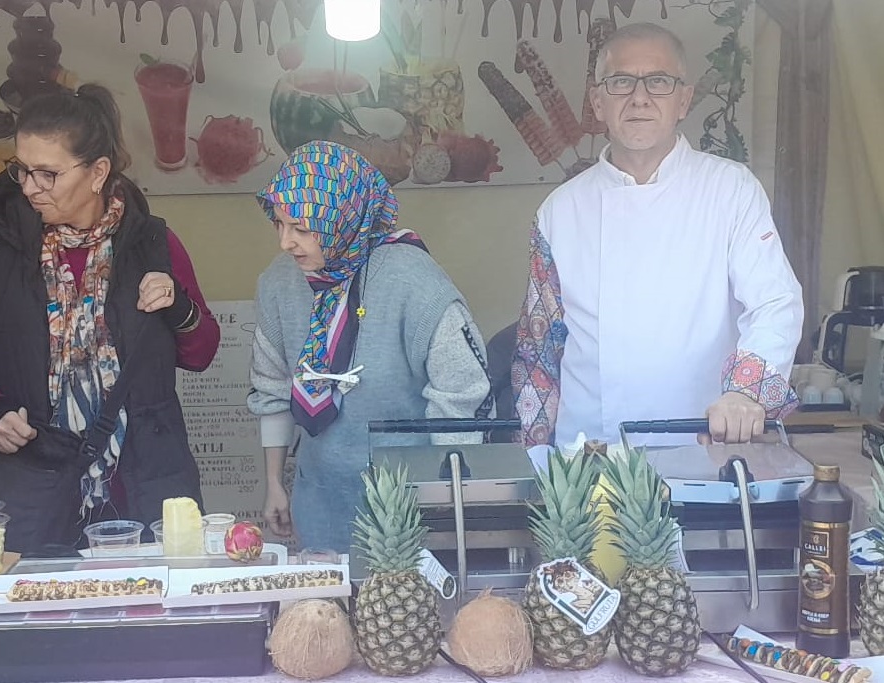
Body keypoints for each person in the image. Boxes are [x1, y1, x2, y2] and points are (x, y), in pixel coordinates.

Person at [0, 83, 219, 555]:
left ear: (98, 172)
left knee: (145, 600)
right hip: (26, 484)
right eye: (21, 169)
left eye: (48, 174)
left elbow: (201, 352)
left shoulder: (152, 244)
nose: (29, 187)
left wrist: (178, 307)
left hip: (142, 481)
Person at [511, 22, 803, 449]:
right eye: (621, 82)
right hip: (590, 453)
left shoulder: (731, 190)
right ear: (597, 101)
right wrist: (534, 456)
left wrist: (746, 393)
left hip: (703, 446)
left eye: (659, 81)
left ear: (684, 100)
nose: (640, 98)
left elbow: (774, 302)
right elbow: (538, 352)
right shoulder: (559, 211)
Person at [248, 141, 493, 553]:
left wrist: (449, 500)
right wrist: (274, 482)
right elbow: (271, 386)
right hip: (320, 497)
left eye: (302, 229)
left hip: (409, 505)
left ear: (343, 218)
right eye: (279, 224)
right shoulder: (278, 283)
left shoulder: (414, 282)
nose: (285, 243)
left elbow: (459, 397)